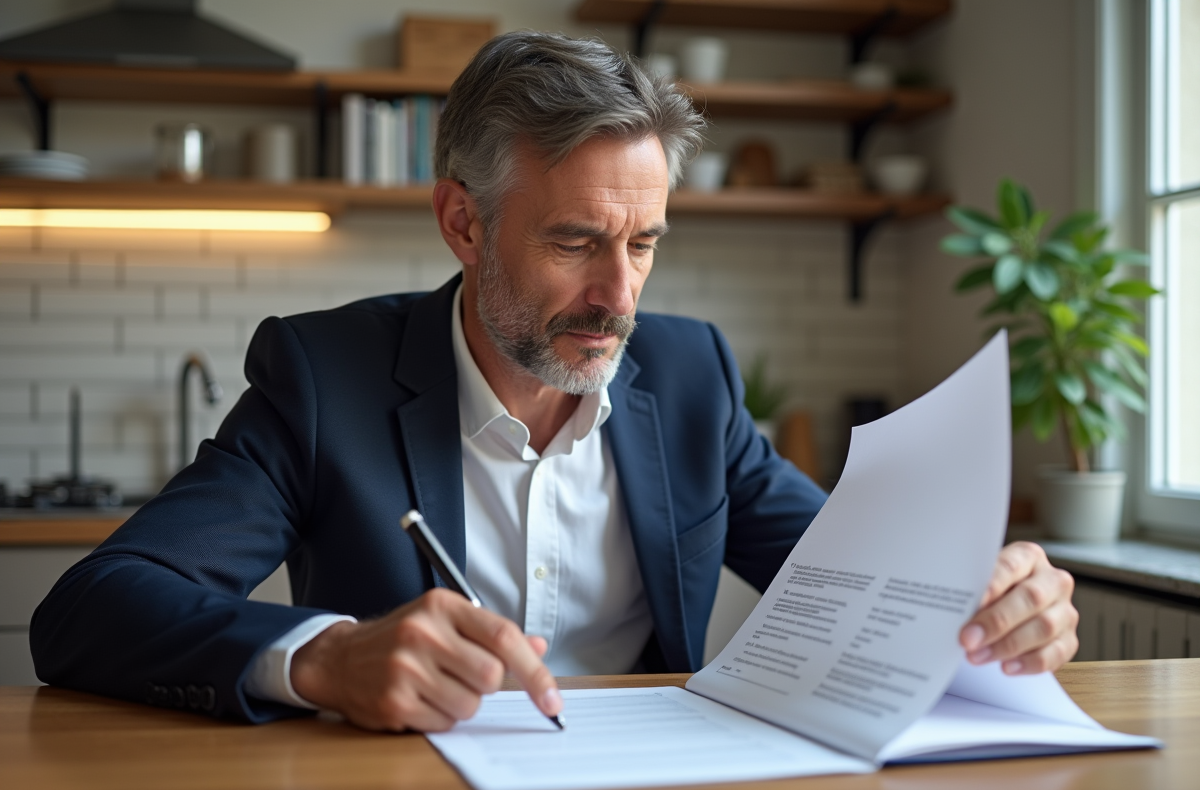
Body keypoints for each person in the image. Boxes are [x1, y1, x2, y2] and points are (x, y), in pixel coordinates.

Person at [31, 31, 1079, 732]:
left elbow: (849, 580)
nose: (618, 296)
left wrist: (984, 604)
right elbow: (91, 609)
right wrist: (325, 659)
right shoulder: (323, 379)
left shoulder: (694, 378)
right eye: (576, 241)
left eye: (644, 244)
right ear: (464, 222)